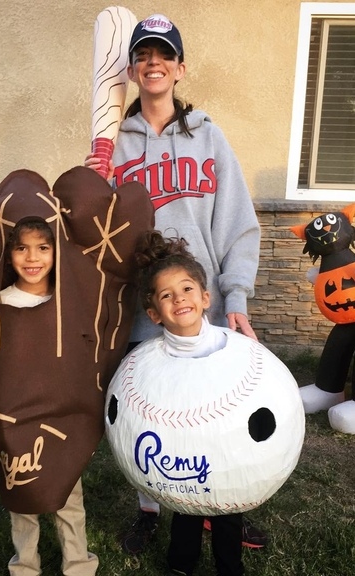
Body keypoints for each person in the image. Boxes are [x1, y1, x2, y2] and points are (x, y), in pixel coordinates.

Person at [85, 13, 265, 554]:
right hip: (138, 308)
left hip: (199, 309)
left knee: (209, 414)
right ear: (134, 69)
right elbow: (93, 227)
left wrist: (234, 299)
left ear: (180, 68)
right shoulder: (113, 145)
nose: (154, 62)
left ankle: (211, 504)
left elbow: (237, 223)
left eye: (164, 54)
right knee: (150, 413)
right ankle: (148, 507)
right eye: (143, 55)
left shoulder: (207, 136)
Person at [134, 229, 245, 576]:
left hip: (227, 447)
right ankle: (181, 565)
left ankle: (230, 568)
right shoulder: (153, 359)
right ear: (154, 314)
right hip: (182, 453)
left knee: (227, 513)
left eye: (187, 289)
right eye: (167, 295)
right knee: (187, 511)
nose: (179, 299)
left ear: (206, 297)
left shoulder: (230, 347)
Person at [1, 218, 98, 576]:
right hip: (16, 417)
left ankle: (78, 564)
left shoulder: (66, 303)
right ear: (9, 254)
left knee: (68, 495)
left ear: (56, 253)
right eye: (21, 247)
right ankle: (25, 565)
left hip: (59, 419)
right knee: (21, 496)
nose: (32, 257)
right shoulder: (0, 303)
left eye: (43, 247)